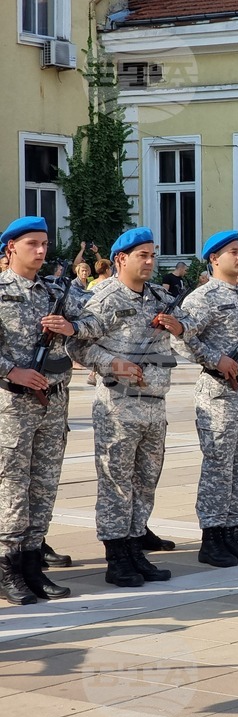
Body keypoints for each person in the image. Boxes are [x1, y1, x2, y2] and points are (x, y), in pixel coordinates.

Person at [67, 228, 183, 588]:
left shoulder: (159, 297)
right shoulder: (103, 297)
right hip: (119, 404)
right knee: (117, 484)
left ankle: (135, 547)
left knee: (145, 482)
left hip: (155, 405)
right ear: (121, 259)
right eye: (142, 256)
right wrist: (112, 364)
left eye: (152, 255)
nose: (150, 262)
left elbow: (187, 331)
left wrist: (180, 326)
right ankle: (116, 556)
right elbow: (76, 344)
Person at [172, 231, 238, 567]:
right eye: (233, 252)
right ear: (215, 259)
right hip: (219, 392)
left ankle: (231, 526)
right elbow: (180, 339)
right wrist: (214, 358)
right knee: (218, 466)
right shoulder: (202, 298)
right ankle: (211, 537)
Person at [0, 217, 84, 604]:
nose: (40, 250)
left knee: (45, 485)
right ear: (11, 248)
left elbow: (94, 320)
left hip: (53, 401)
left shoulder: (56, 291)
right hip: (13, 404)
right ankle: (7, 567)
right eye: (32, 243)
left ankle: (33, 566)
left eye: (45, 244)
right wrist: (11, 370)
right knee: (13, 488)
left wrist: (72, 328)